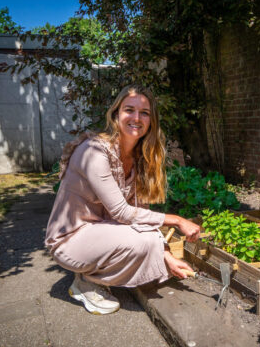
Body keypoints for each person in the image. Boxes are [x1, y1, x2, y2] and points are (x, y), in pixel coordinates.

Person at [45, 84, 201, 315]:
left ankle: (93, 269)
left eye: (145, 112)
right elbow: (122, 213)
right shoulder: (94, 152)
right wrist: (177, 220)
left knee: (149, 238)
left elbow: (140, 213)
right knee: (145, 242)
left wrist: (166, 256)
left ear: (151, 120)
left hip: (100, 232)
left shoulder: (139, 157)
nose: (137, 117)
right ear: (116, 114)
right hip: (70, 239)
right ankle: (87, 282)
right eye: (130, 109)